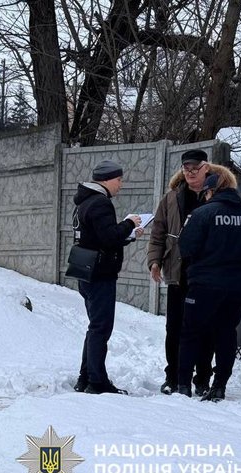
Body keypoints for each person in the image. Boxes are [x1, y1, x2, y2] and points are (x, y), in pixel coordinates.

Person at [147, 150, 241, 396]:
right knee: (176, 328)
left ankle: (201, 379)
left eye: (195, 169)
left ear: (207, 169)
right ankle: (173, 377)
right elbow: (158, 231)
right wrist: (155, 260)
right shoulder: (172, 197)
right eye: (186, 169)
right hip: (180, 271)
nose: (189, 173)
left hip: (205, 274)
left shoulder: (227, 195)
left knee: (202, 330)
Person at [176, 173, 241, 401]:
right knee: (226, 334)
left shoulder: (202, 214)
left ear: (211, 191)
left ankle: (183, 384)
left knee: (191, 333)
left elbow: (186, 247)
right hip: (236, 285)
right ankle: (220, 385)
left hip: (204, 283)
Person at [72, 160, 143, 395]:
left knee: (95, 327)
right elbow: (109, 237)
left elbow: (96, 237)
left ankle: (85, 377)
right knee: (101, 328)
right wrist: (129, 223)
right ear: (107, 179)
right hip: (100, 274)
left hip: (85, 269)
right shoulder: (101, 203)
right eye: (119, 180)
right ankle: (97, 381)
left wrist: (129, 235)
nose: (120, 185)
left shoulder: (84, 202)